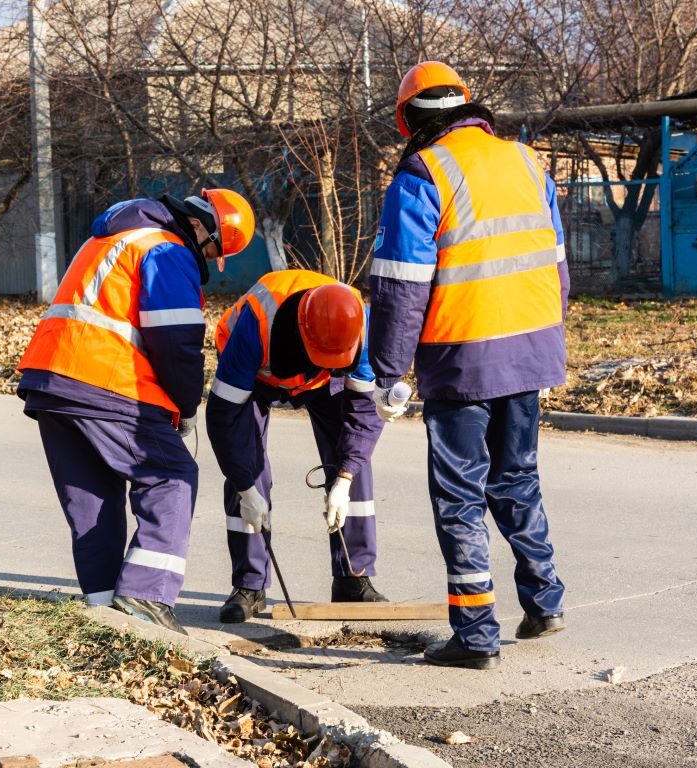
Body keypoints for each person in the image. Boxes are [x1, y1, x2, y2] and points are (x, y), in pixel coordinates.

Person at [367, 62, 569, 668]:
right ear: (467, 106)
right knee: (518, 478)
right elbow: (558, 269)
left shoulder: (422, 174)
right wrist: (545, 342)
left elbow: (401, 287)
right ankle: (545, 603)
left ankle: (477, 636)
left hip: (462, 359)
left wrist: (388, 372)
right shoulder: (526, 161)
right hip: (530, 349)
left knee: (459, 497)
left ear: (408, 121)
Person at [16, 188, 256, 635]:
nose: (208, 259)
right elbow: (177, 342)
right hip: (105, 382)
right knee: (171, 477)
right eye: (212, 251)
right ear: (199, 226)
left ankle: (104, 606)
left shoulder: (114, 237)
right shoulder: (167, 249)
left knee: (92, 495)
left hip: (52, 381)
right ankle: (146, 595)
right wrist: (186, 406)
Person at [206, 269, 386, 623]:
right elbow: (224, 419)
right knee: (247, 467)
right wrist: (245, 488)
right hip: (256, 373)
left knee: (353, 461)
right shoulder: (255, 326)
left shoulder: (360, 327)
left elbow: (364, 414)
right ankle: (249, 585)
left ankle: (352, 579)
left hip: (322, 380)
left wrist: (344, 479)